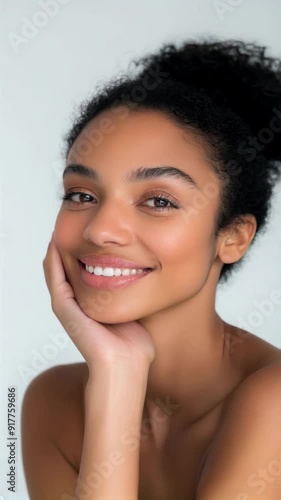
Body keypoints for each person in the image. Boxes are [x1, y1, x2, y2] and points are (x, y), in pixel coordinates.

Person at [21, 38, 281, 500]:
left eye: (158, 201)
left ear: (233, 237)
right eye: (81, 195)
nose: (101, 230)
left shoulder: (273, 401)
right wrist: (118, 375)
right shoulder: (52, 402)